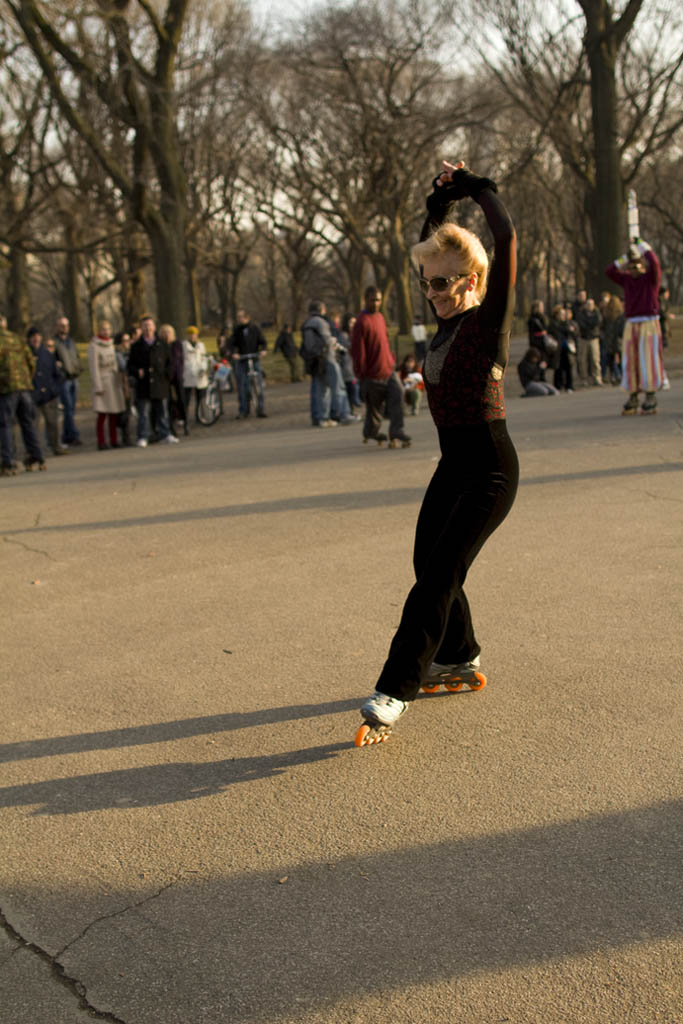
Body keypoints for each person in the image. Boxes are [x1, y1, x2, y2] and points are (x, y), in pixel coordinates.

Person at [356, 161, 519, 744]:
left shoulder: (487, 322)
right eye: (426, 283)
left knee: (437, 579)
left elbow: (505, 238)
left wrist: (476, 188)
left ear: (472, 280)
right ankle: (460, 655)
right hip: (455, 464)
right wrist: (441, 200)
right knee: (430, 562)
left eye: (444, 282)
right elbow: (435, 240)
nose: (434, 293)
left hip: (491, 471)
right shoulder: (443, 325)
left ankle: (396, 688)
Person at [606, 239, 664, 414]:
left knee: (648, 359)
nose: (634, 270)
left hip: (648, 322)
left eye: (638, 266)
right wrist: (625, 257)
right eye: (631, 267)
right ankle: (633, 394)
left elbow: (655, 263)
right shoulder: (627, 281)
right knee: (631, 360)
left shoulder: (650, 280)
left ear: (643, 267)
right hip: (632, 323)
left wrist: (643, 248)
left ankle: (650, 394)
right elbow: (609, 271)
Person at [350, 287, 410, 446]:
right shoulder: (361, 322)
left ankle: (397, 430)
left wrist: (392, 362)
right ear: (365, 300)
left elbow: (386, 343)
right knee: (375, 408)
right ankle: (371, 431)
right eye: (372, 300)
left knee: (398, 394)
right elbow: (357, 352)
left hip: (387, 370)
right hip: (371, 374)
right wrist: (362, 375)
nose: (376, 303)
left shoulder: (381, 317)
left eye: (378, 299)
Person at [0, 315, 45, 474]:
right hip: (24, 387)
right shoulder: (17, 339)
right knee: (27, 422)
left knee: (5, 425)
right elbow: (31, 361)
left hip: (6, 389)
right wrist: (27, 379)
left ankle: (8, 461)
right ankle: (37, 456)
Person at [300, 300, 356, 427]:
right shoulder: (321, 322)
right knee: (338, 387)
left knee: (321, 390)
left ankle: (321, 417)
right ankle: (345, 414)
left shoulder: (306, 323)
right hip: (328, 358)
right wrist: (340, 347)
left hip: (315, 360)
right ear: (322, 309)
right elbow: (328, 340)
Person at [127, 315, 177, 445]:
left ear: (154, 327)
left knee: (163, 411)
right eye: (145, 326)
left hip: (160, 382)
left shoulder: (162, 344)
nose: (148, 328)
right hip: (144, 384)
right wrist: (137, 371)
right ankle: (143, 435)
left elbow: (170, 362)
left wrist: (167, 375)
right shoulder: (136, 346)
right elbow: (130, 365)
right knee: (143, 412)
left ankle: (165, 433)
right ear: (141, 328)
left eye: (150, 325)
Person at [87, 319, 125, 450]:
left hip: (113, 381)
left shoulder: (111, 345)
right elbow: (93, 367)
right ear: (99, 331)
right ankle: (101, 441)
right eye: (104, 329)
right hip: (102, 381)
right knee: (102, 414)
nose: (106, 332)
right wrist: (98, 386)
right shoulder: (94, 346)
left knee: (114, 413)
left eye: (108, 329)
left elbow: (115, 363)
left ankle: (114, 439)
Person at [27, 328, 65, 456]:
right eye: (33, 337)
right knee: (33, 426)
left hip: (49, 395)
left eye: (38, 336)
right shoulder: (26, 354)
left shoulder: (47, 354)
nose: (36, 339)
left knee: (53, 423)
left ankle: (56, 447)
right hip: (33, 395)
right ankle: (35, 451)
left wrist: (54, 389)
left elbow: (57, 374)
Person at [228, 310, 267, 418]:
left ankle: (260, 409)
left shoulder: (255, 328)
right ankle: (243, 410)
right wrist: (234, 353)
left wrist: (263, 350)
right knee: (242, 386)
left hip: (254, 359)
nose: (239, 319)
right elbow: (231, 343)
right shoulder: (237, 330)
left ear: (247, 317)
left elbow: (263, 341)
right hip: (242, 360)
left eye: (241, 317)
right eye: (238, 317)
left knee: (258, 384)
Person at [53, 315, 83, 448]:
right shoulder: (55, 342)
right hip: (63, 379)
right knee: (68, 408)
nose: (64, 328)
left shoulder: (71, 341)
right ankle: (73, 435)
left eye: (66, 325)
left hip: (74, 378)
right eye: (62, 325)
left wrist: (79, 367)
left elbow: (76, 356)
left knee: (71, 409)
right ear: (57, 327)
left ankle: (66, 436)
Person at [160, 323, 187, 437]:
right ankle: (171, 425)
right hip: (166, 378)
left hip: (177, 376)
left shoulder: (176, 344)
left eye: (169, 332)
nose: (167, 335)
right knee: (169, 403)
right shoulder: (161, 345)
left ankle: (184, 422)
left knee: (181, 400)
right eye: (164, 332)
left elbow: (178, 361)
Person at [182, 326, 209, 423]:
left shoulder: (200, 345)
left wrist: (204, 368)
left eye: (194, 334)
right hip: (188, 373)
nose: (192, 336)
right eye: (190, 334)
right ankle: (184, 416)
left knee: (200, 397)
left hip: (199, 373)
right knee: (186, 398)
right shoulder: (184, 345)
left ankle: (199, 415)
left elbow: (204, 358)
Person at [575, 297, 603, 386]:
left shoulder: (597, 313)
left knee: (595, 359)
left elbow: (597, 322)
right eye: (588, 304)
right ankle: (584, 379)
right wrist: (590, 325)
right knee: (582, 360)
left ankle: (597, 377)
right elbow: (582, 324)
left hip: (594, 338)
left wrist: (590, 324)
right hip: (584, 338)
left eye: (591, 304)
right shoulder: (581, 314)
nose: (589, 306)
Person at [548, 305, 576, 392]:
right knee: (558, 367)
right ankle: (558, 385)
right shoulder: (553, 323)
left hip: (566, 348)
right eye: (561, 314)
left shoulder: (566, 322)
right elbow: (557, 331)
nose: (563, 316)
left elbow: (572, 332)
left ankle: (569, 385)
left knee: (568, 367)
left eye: (564, 314)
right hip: (557, 348)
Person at [337, 313, 361, 411]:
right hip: (347, 366)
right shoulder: (344, 335)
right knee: (349, 389)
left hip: (353, 365)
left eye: (354, 323)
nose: (353, 325)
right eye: (351, 322)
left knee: (352, 388)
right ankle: (349, 410)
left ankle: (352, 409)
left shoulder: (354, 334)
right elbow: (348, 347)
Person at [114, 330, 133, 446]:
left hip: (129, 383)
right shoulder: (118, 353)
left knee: (128, 411)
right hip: (121, 384)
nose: (127, 343)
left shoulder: (129, 351)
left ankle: (126, 436)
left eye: (128, 340)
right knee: (124, 412)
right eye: (125, 341)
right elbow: (124, 367)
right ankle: (124, 436)